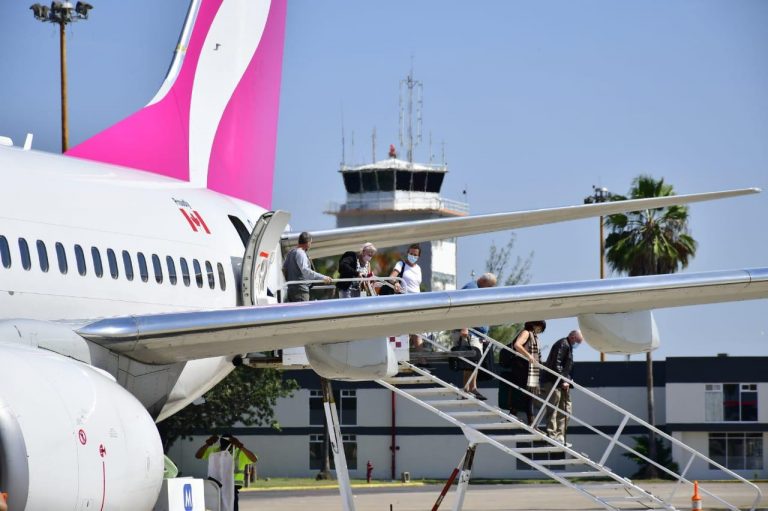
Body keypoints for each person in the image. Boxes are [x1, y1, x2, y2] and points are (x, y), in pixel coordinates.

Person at [457, 273, 498, 400]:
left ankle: (472, 387)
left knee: (475, 362)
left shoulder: (477, 288)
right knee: (472, 361)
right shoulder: (472, 288)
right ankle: (466, 389)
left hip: (477, 333)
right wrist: (464, 326)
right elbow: (464, 308)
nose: (489, 290)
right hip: (470, 332)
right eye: (490, 287)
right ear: (484, 282)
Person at [540, 329, 584, 445]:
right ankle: (552, 435)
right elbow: (555, 364)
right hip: (553, 381)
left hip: (562, 383)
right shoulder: (563, 344)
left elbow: (566, 366)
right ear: (573, 337)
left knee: (566, 410)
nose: (577, 345)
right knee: (553, 408)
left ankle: (560, 436)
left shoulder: (568, 346)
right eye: (578, 341)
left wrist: (568, 380)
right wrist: (563, 380)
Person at [195, 434, 257, 511]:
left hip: (232, 488)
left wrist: (241, 446)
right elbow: (198, 455)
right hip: (216, 487)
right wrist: (207, 444)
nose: (224, 446)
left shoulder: (239, 453)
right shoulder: (215, 450)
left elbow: (254, 459)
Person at [507, 320, 546, 427]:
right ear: (536, 325)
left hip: (527, 366)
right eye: (540, 329)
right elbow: (517, 345)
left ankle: (528, 420)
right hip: (521, 365)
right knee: (527, 393)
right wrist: (529, 356)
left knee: (529, 394)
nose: (539, 332)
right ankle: (528, 420)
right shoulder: (526, 332)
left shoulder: (534, 336)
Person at [282, 231, 332, 302]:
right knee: (302, 311)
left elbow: (284, 269)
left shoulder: (291, 252)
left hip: (291, 290)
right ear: (307, 242)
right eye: (311, 243)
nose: (310, 245)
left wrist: (290, 282)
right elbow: (305, 270)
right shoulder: (301, 253)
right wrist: (323, 277)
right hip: (301, 291)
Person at [390, 244, 424, 349]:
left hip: (417, 303)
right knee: (409, 331)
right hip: (405, 302)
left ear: (418, 256)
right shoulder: (401, 264)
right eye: (411, 253)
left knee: (415, 332)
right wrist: (396, 283)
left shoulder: (418, 268)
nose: (412, 256)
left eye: (415, 255)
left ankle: (422, 359)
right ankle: (421, 359)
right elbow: (391, 277)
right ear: (407, 253)